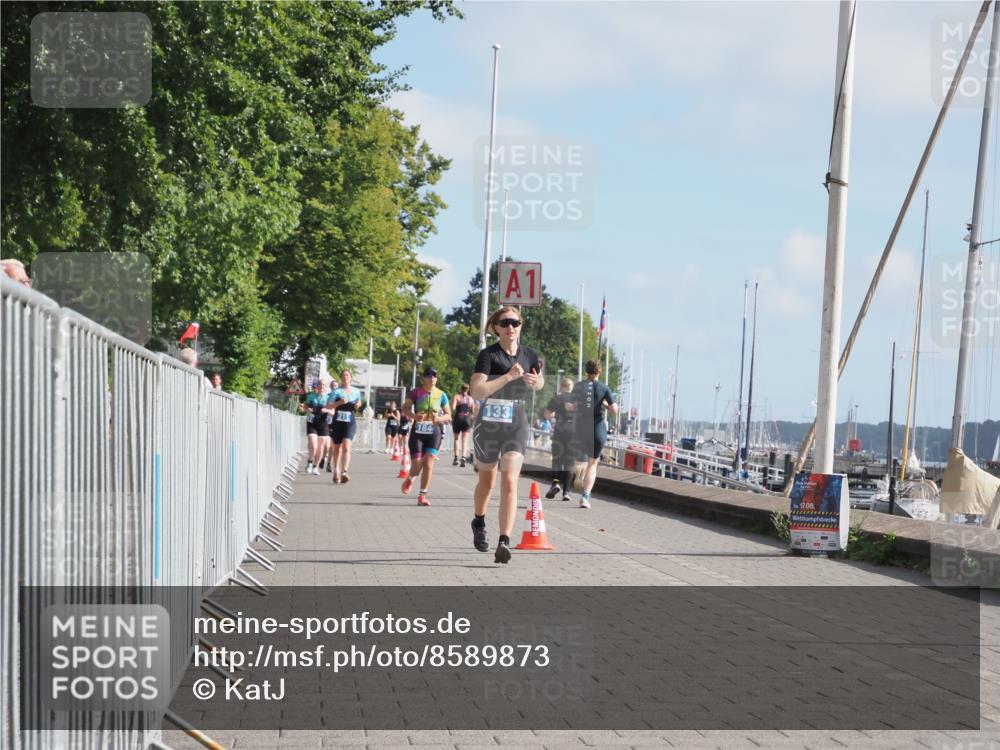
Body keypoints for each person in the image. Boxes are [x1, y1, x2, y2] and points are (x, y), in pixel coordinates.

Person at [469, 306, 544, 564]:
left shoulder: (530, 355)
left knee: (510, 480)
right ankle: (478, 521)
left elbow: (540, 380)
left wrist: (537, 383)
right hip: (489, 424)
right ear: (496, 328)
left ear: (521, 325)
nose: (511, 327)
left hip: (516, 422)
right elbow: (477, 391)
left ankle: (504, 541)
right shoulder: (488, 356)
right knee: (487, 483)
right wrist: (507, 376)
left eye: (515, 322)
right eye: (505, 323)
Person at [401, 366, 451, 505]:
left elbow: (448, 415)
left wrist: (439, 419)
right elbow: (405, 408)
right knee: (417, 463)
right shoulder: (416, 393)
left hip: (434, 432)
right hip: (418, 432)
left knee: (428, 463)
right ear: (423, 378)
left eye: (434, 376)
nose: (432, 378)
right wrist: (414, 416)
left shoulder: (441, 395)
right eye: (429, 375)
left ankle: (422, 495)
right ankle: (410, 479)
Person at [572, 359, 618, 509]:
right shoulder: (604, 388)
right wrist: (604, 404)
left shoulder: (578, 386)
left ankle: (576, 477)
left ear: (586, 371)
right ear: (600, 371)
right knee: (593, 464)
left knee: (580, 459)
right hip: (597, 428)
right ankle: (585, 497)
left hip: (581, 426)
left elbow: (571, 405)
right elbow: (614, 410)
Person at [323, 369, 361, 483]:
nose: (345, 377)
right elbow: (328, 406)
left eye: (347, 375)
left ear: (351, 377)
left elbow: (358, 403)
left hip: (350, 422)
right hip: (337, 423)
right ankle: (336, 469)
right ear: (341, 378)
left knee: (347, 446)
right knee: (337, 448)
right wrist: (339, 403)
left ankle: (345, 471)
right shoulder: (336, 392)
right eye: (343, 375)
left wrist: (358, 405)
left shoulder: (356, 391)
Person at [544, 377, 578, 503]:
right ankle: (567, 492)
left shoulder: (556, 399)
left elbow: (546, 415)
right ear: (571, 388)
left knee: (557, 460)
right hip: (573, 432)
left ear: (561, 387)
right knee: (569, 463)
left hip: (559, 430)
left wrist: (555, 414)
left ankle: (556, 483)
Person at [301, 380, 330, 475]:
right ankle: (310, 461)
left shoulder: (329, 398)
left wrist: (327, 410)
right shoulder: (311, 396)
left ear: (326, 387)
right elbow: (304, 406)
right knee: (313, 445)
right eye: (320, 384)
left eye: (323, 385)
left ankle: (315, 466)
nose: (321, 386)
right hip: (312, 423)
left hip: (323, 424)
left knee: (320, 447)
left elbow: (333, 412)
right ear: (317, 386)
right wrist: (307, 409)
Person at [451, 384, 477, 467]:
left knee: (456, 439)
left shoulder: (457, 397)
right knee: (465, 439)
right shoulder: (471, 399)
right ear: (468, 390)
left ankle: (455, 457)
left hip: (458, 417)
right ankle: (463, 457)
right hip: (467, 419)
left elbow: (453, 408)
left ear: (461, 389)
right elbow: (473, 411)